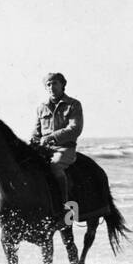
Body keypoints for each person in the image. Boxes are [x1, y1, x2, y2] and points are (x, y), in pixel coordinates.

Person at [31, 72, 83, 209]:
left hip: (64, 149)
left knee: (55, 166)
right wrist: (32, 142)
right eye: (48, 84)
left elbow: (75, 128)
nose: (51, 87)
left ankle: (64, 207)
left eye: (55, 83)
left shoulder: (73, 105)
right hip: (44, 149)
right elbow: (36, 132)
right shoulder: (41, 108)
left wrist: (52, 137)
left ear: (62, 85)